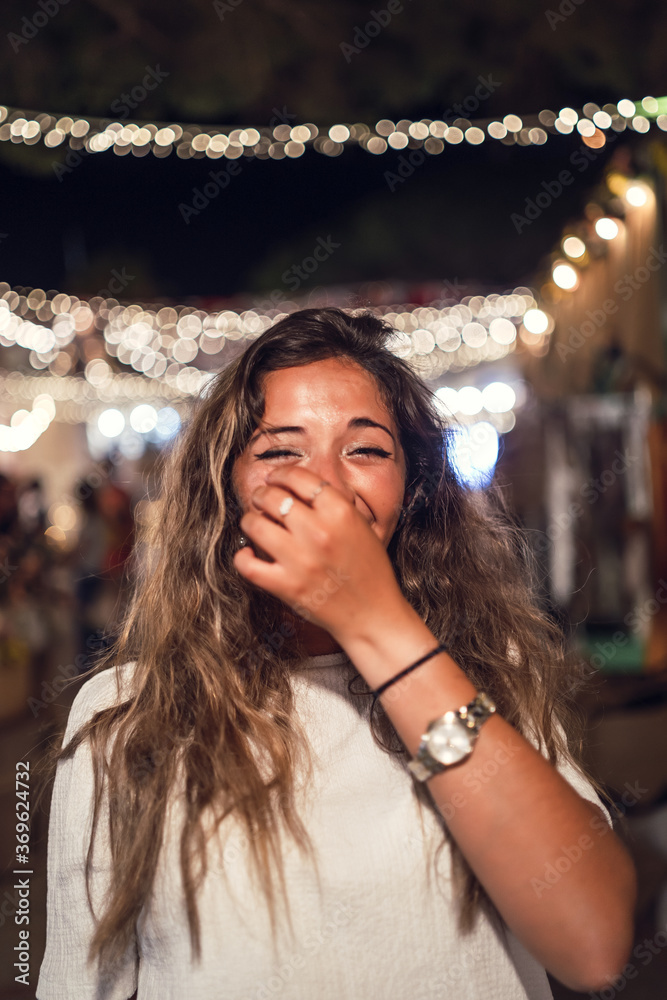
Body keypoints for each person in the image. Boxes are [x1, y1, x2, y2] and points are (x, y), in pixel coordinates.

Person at [36, 307, 636, 1000]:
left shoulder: (481, 676)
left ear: (411, 492)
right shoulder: (129, 716)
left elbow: (594, 944)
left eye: (366, 450)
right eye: (280, 450)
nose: (322, 483)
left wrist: (376, 623)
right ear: (223, 492)